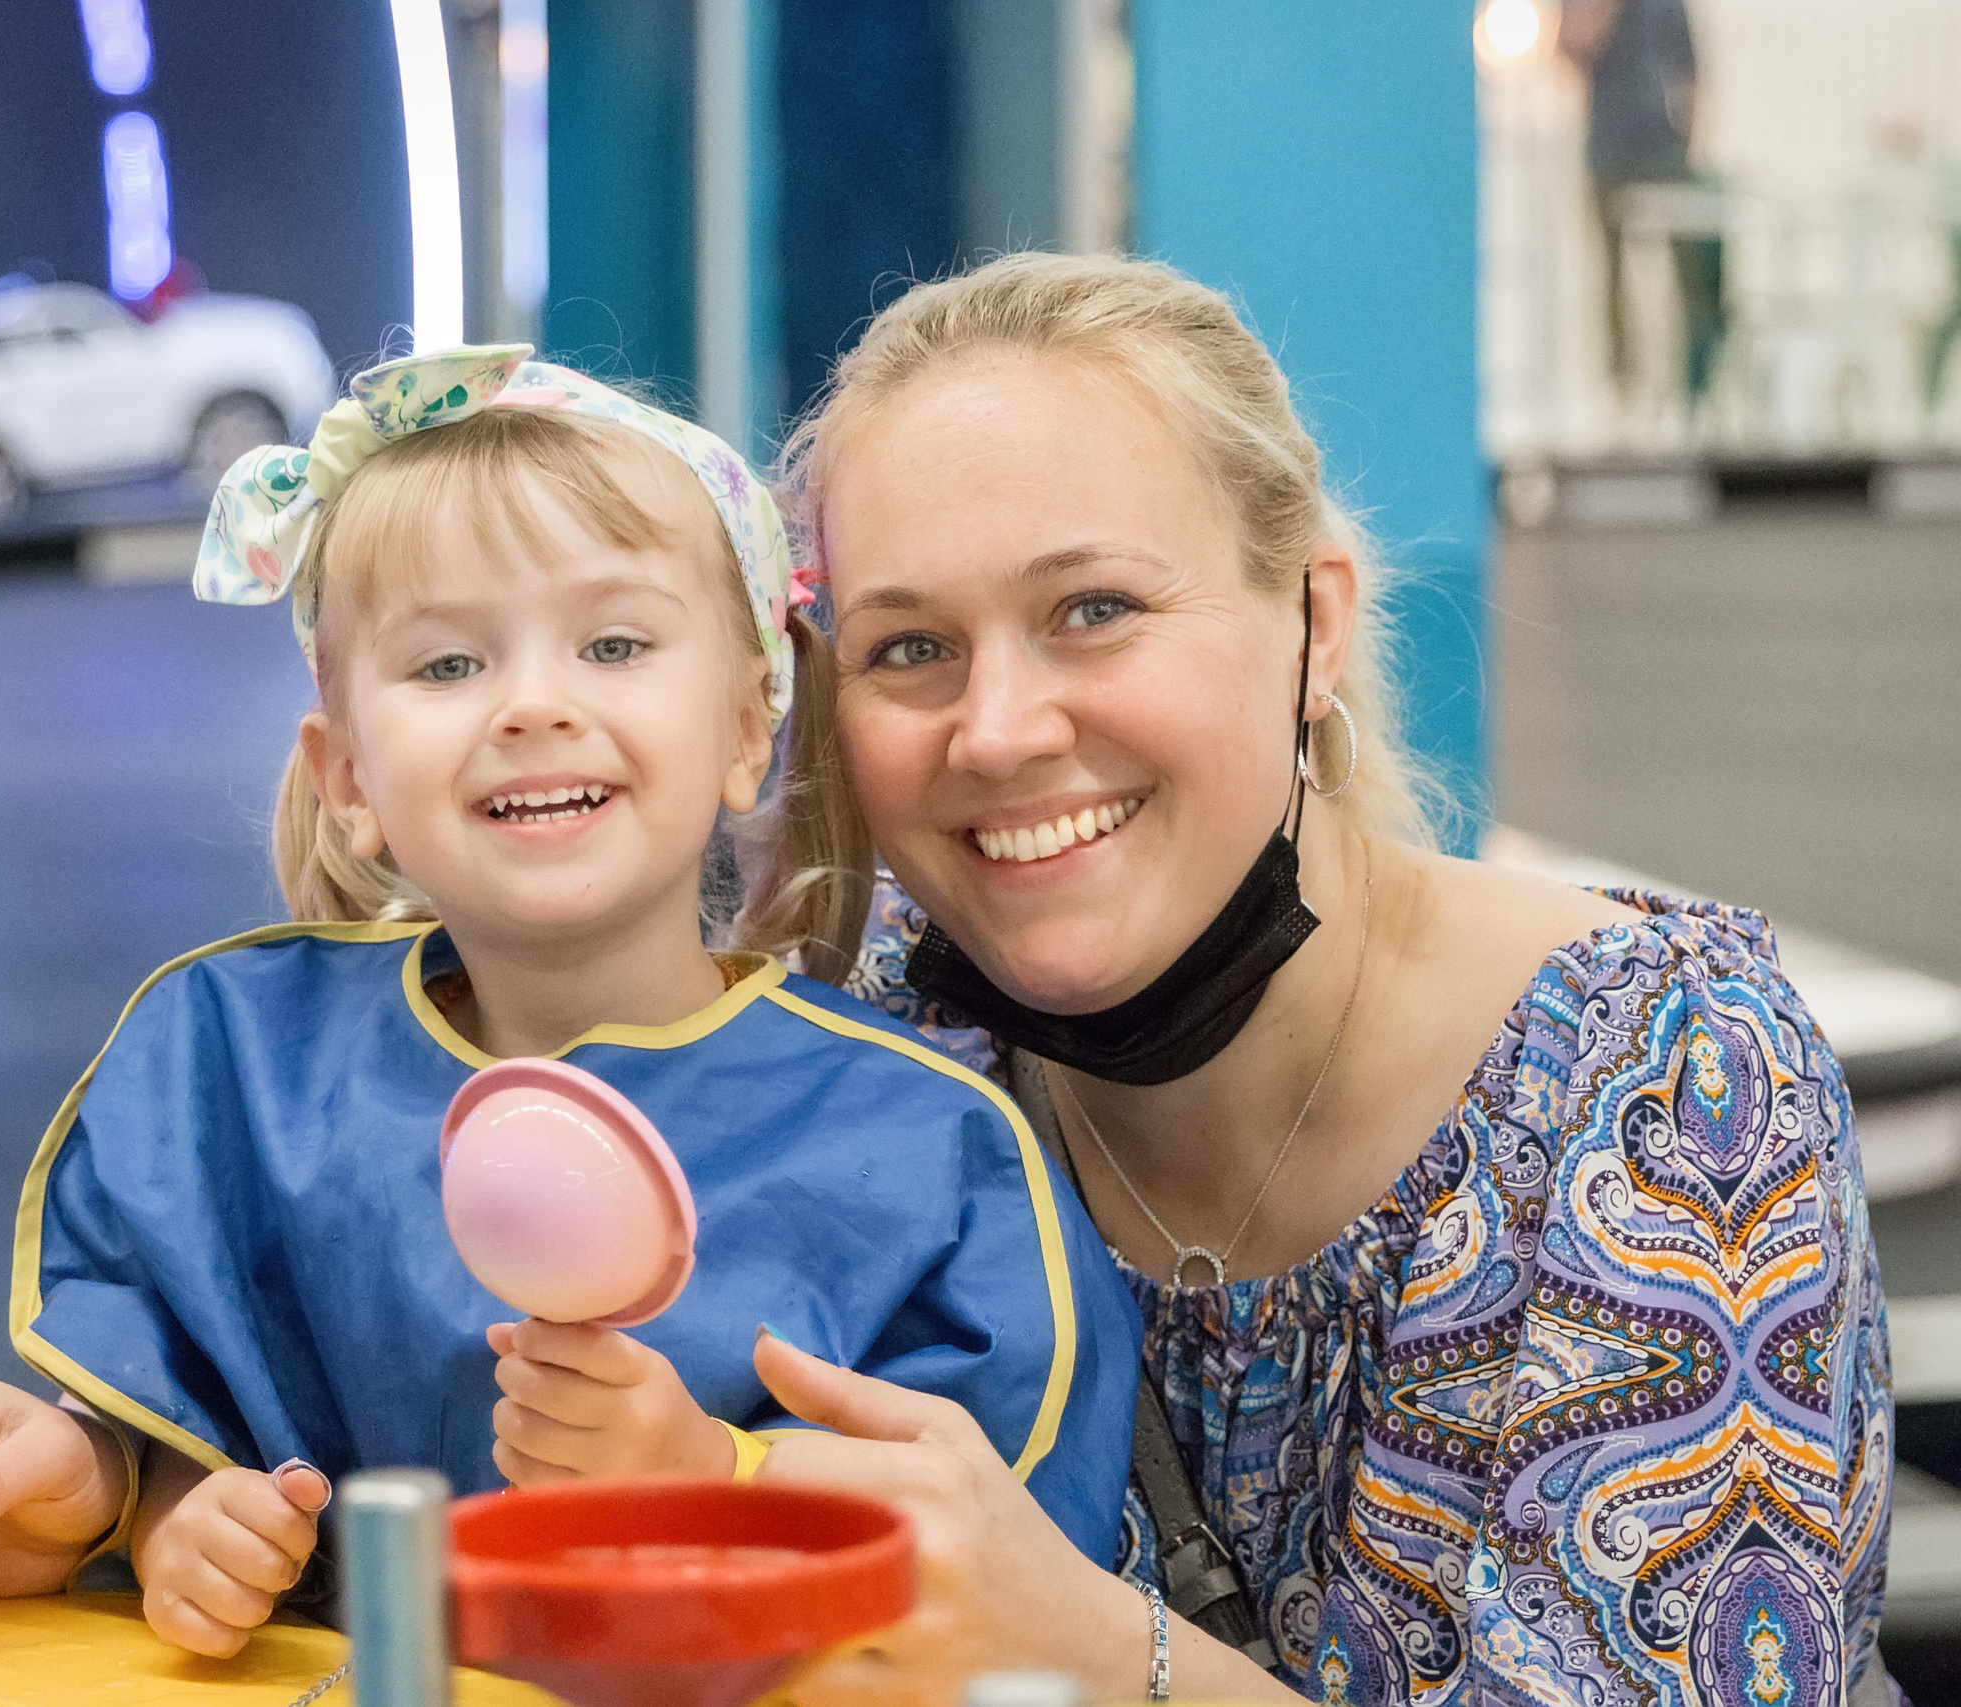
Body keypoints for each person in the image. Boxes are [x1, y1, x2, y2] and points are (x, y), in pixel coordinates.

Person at [0, 342, 1143, 1658]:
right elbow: (165, 1424)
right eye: (450, 664)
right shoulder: (236, 1069)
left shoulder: (923, 1148)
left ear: (751, 724)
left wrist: (711, 1469)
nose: (531, 703)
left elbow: (998, 1593)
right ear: (347, 768)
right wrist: (172, 1511)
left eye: (614, 641)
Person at [746, 251, 1896, 1705]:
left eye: (1093, 608)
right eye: (909, 647)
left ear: (1317, 623)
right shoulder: (881, 1052)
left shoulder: (1671, 1076)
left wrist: (1090, 1640)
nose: (998, 728)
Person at [1561, 0, 1726, 405]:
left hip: (1661, 147)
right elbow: (1572, 48)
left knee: (1690, 271)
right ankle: (1621, 387)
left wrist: (1688, 144)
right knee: (1612, 277)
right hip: (1607, 152)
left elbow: (1690, 71)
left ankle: (1697, 387)